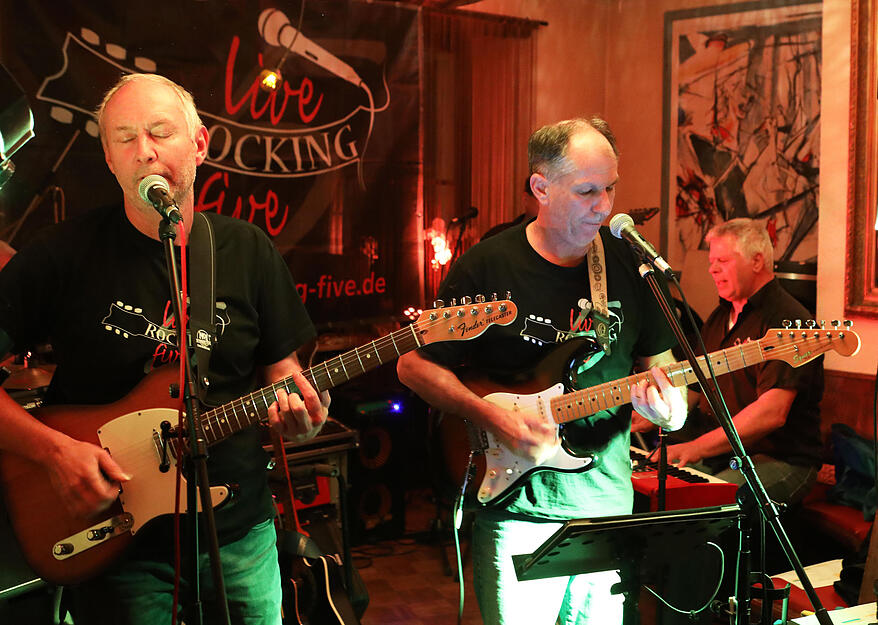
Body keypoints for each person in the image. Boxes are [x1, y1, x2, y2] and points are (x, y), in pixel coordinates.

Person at [0, 73, 330, 624]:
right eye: (125, 138)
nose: (144, 152)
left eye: (159, 132)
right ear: (107, 157)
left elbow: (285, 377)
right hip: (115, 541)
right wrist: (53, 454)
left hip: (239, 537)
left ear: (199, 144)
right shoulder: (61, 256)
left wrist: (304, 416)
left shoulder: (246, 249)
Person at [397, 117, 687, 625]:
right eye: (586, 191)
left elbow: (666, 381)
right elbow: (414, 366)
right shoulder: (487, 267)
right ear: (541, 188)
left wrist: (670, 412)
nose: (604, 205)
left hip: (606, 504)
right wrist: (490, 416)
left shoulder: (629, 268)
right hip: (517, 508)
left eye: (611, 188)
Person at [640, 218, 823, 506]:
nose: (712, 268)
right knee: (658, 490)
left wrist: (697, 448)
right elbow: (696, 390)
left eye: (722, 260)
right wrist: (654, 415)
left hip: (782, 458)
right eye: (712, 261)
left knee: (708, 504)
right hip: (726, 454)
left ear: (757, 260)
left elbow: (772, 412)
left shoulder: (788, 320)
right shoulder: (718, 318)